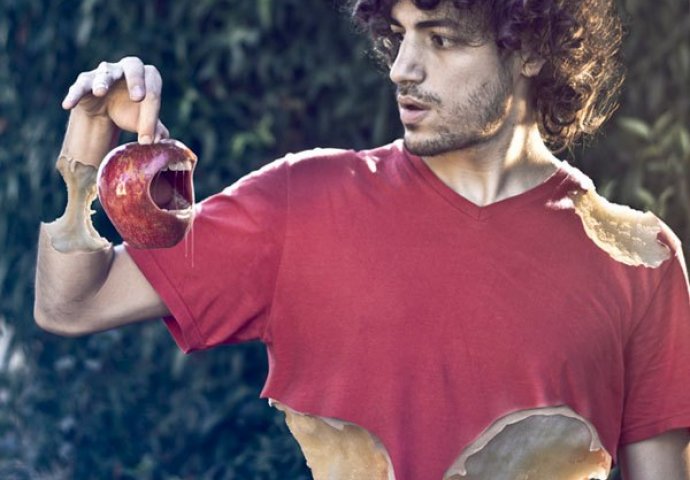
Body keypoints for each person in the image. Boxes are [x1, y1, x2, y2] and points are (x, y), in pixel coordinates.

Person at [34, 0, 690, 478]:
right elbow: (71, 304)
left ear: (531, 48)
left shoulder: (639, 259)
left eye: (440, 39)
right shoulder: (301, 203)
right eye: (398, 36)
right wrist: (88, 138)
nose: (403, 68)